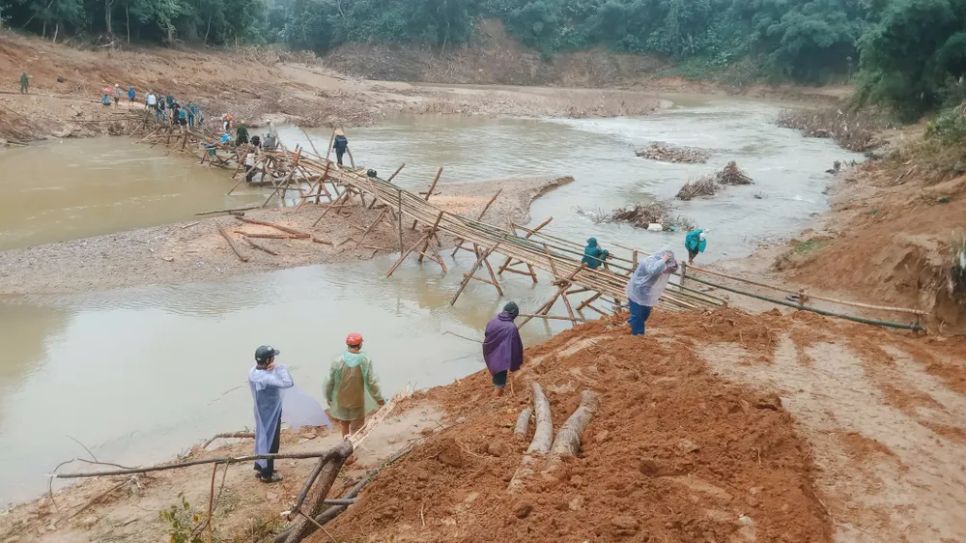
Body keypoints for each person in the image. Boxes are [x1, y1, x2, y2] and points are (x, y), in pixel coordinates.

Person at [324, 333, 386, 438]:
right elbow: (372, 382)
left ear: (347, 344)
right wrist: (379, 399)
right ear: (360, 344)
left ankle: (346, 444)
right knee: (357, 427)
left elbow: (330, 381)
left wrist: (328, 396)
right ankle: (354, 445)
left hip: (341, 399)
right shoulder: (365, 360)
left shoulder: (338, 360)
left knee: (344, 424)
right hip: (358, 400)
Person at [248, 345, 293, 483]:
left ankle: (260, 467)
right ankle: (267, 474)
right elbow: (288, 383)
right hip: (270, 414)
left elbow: (266, 378)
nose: (274, 359)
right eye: (273, 358)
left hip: (260, 411)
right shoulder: (266, 378)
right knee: (271, 442)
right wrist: (280, 368)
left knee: (262, 438)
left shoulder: (253, 372)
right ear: (268, 360)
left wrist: (272, 370)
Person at [625, 250, 678, 336]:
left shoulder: (661, 263)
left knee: (645, 312)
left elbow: (673, 269)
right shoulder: (649, 261)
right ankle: (638, 336)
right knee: (638, 313)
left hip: (647, 290)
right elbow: (653, 270)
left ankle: (630, 324)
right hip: (637, 289)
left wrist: (673, 263)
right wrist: (663, 260)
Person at [482, 302, 524, 396]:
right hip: (500, 358)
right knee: (499, 384)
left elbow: (487, 334)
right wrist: (515, 366)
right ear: (513, 314)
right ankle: (494, 402)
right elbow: (515, 348)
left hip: (489, 352)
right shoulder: (511, 328)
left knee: (497, 375)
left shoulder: (492, 321)